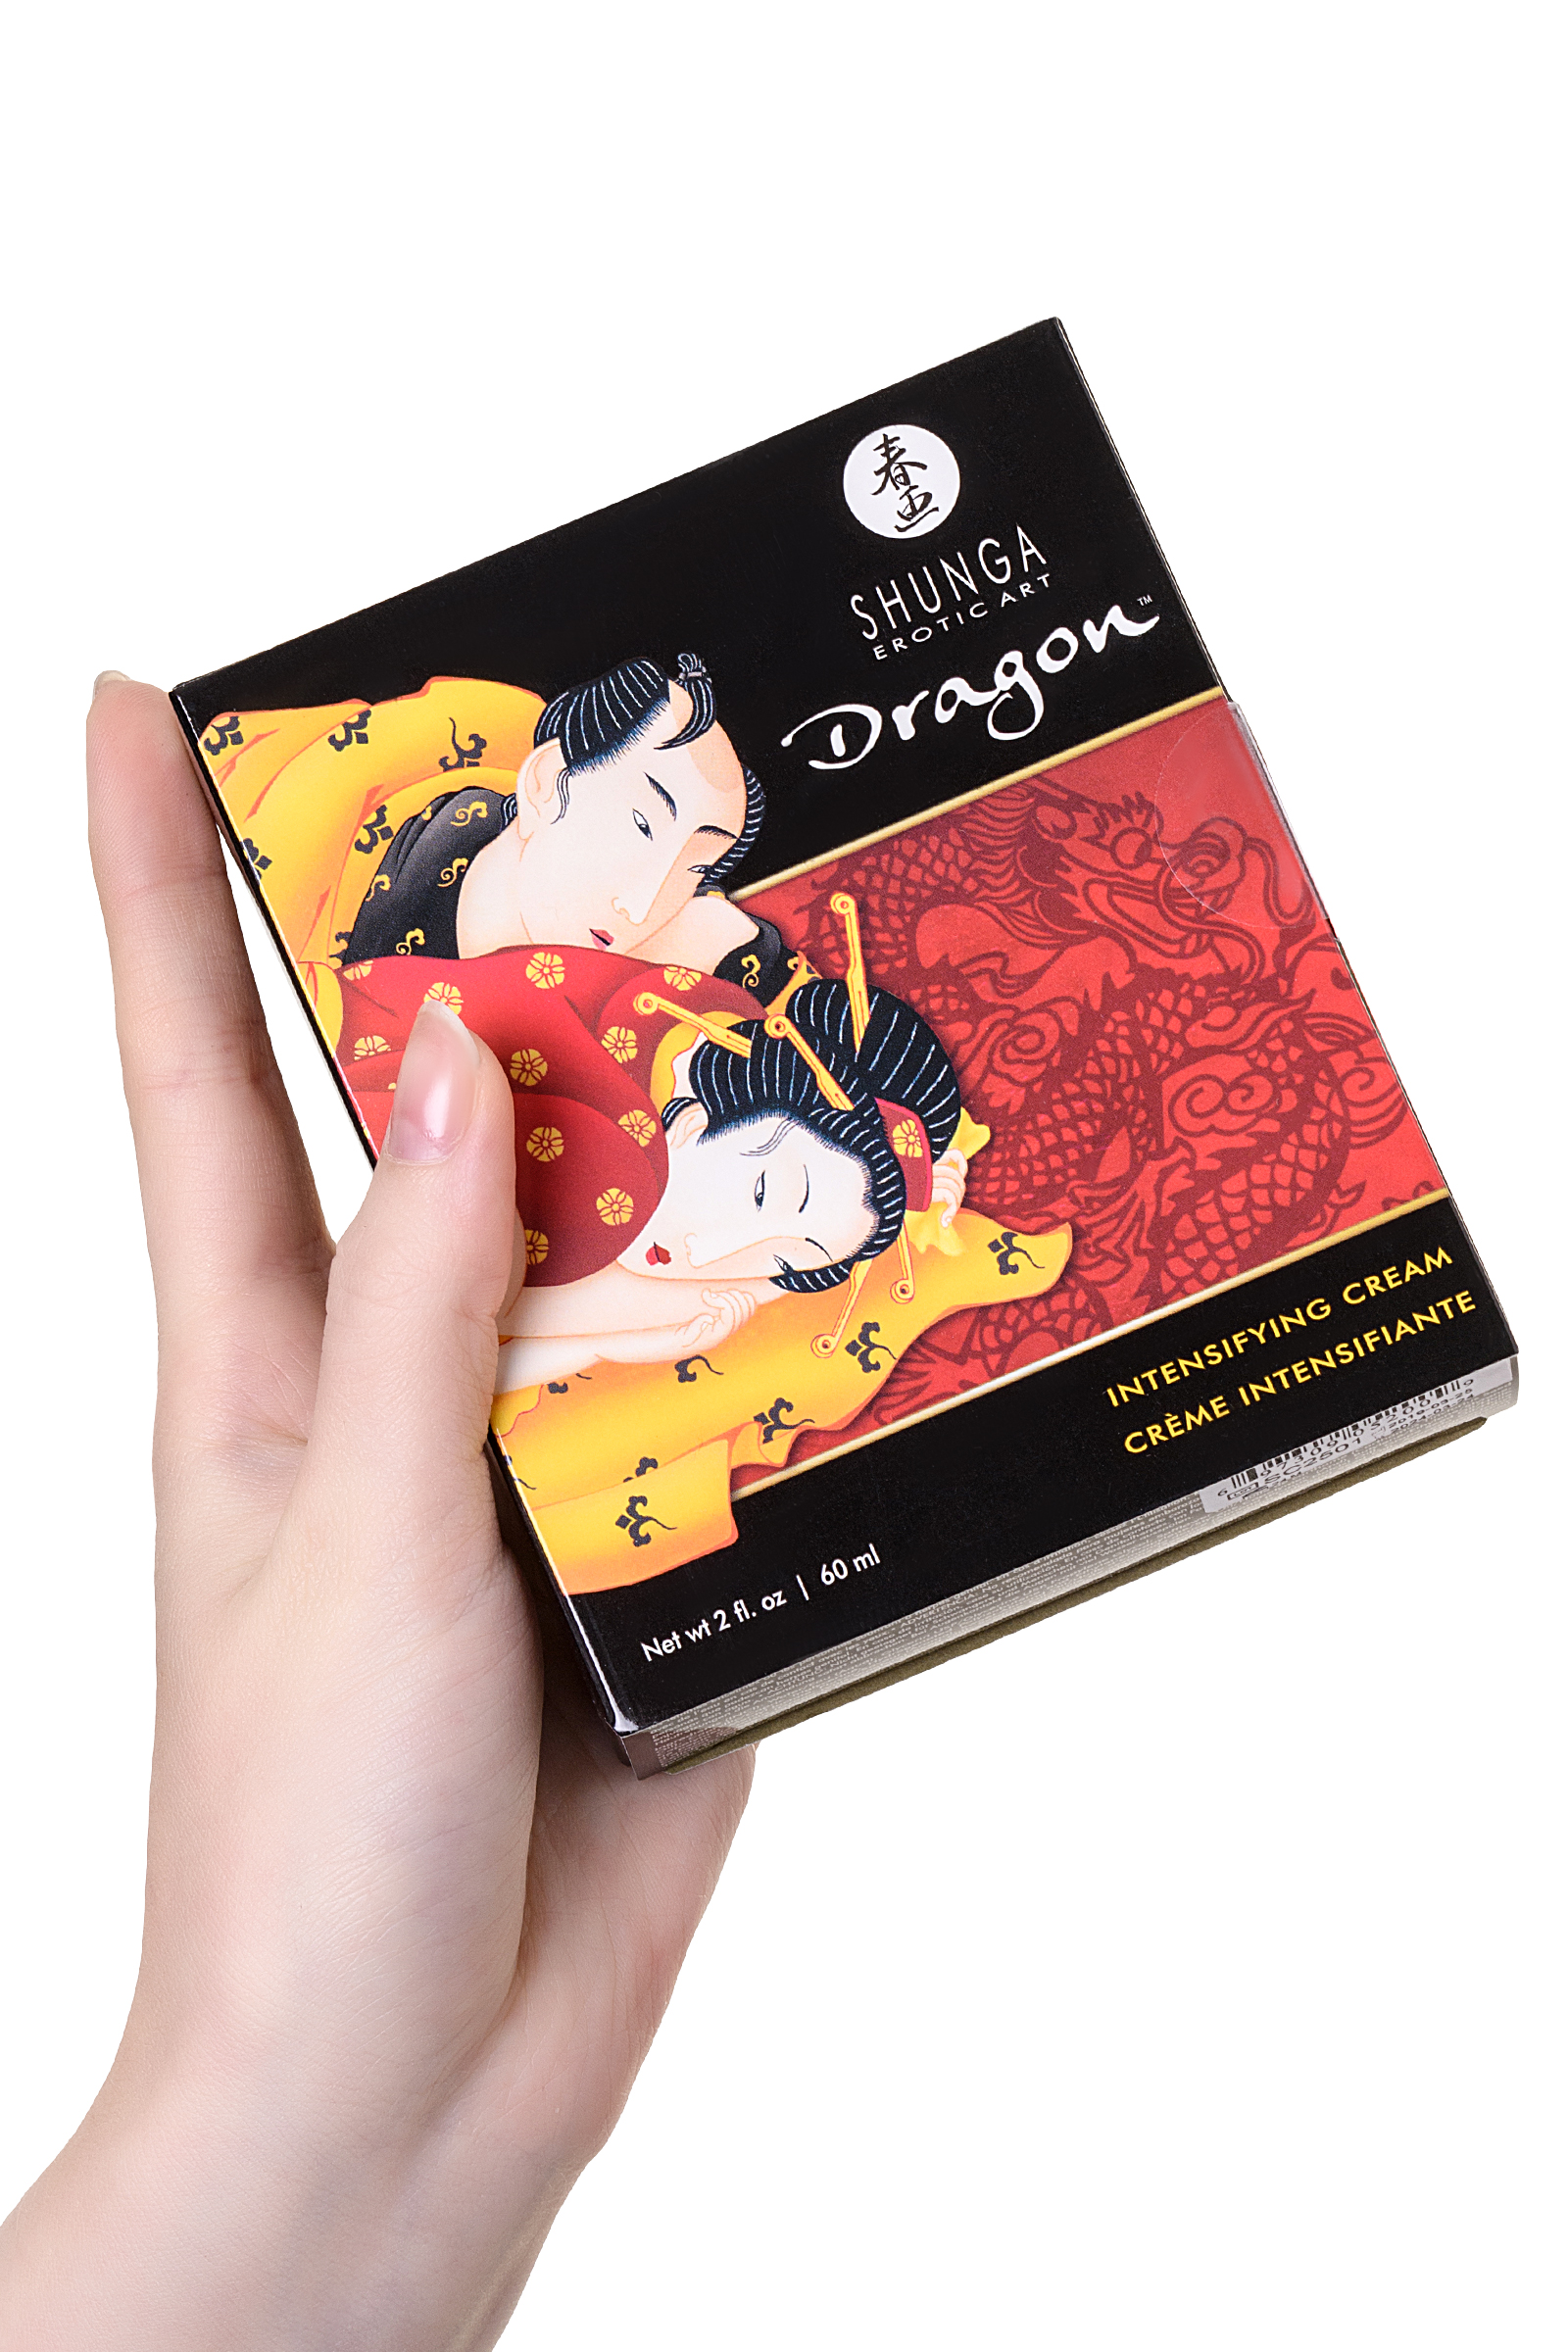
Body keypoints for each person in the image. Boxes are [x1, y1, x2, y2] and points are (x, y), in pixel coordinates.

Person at [0, 675, 754, 2346]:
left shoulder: (660, 1031)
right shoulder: (446, 984)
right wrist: (311, 2129)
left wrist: (350, 2151)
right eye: (643, 821)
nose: (656, 887)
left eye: (696, 858)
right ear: (545, 781)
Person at [332, 942, 972, 1388]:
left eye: (782, 1263)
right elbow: (454, 1365)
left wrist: (621, 1344)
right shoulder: (617, 1164)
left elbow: (468, 1380)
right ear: (694, 1119)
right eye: (759, 1193)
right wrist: (631, 1332)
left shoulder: (683, 1020)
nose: (709, 1255)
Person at [337, 650, 797, 1001]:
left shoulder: (707, 945)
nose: (639, 909)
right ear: (547, 783)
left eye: (697, 868)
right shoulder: (416, 868)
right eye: (642, 825)